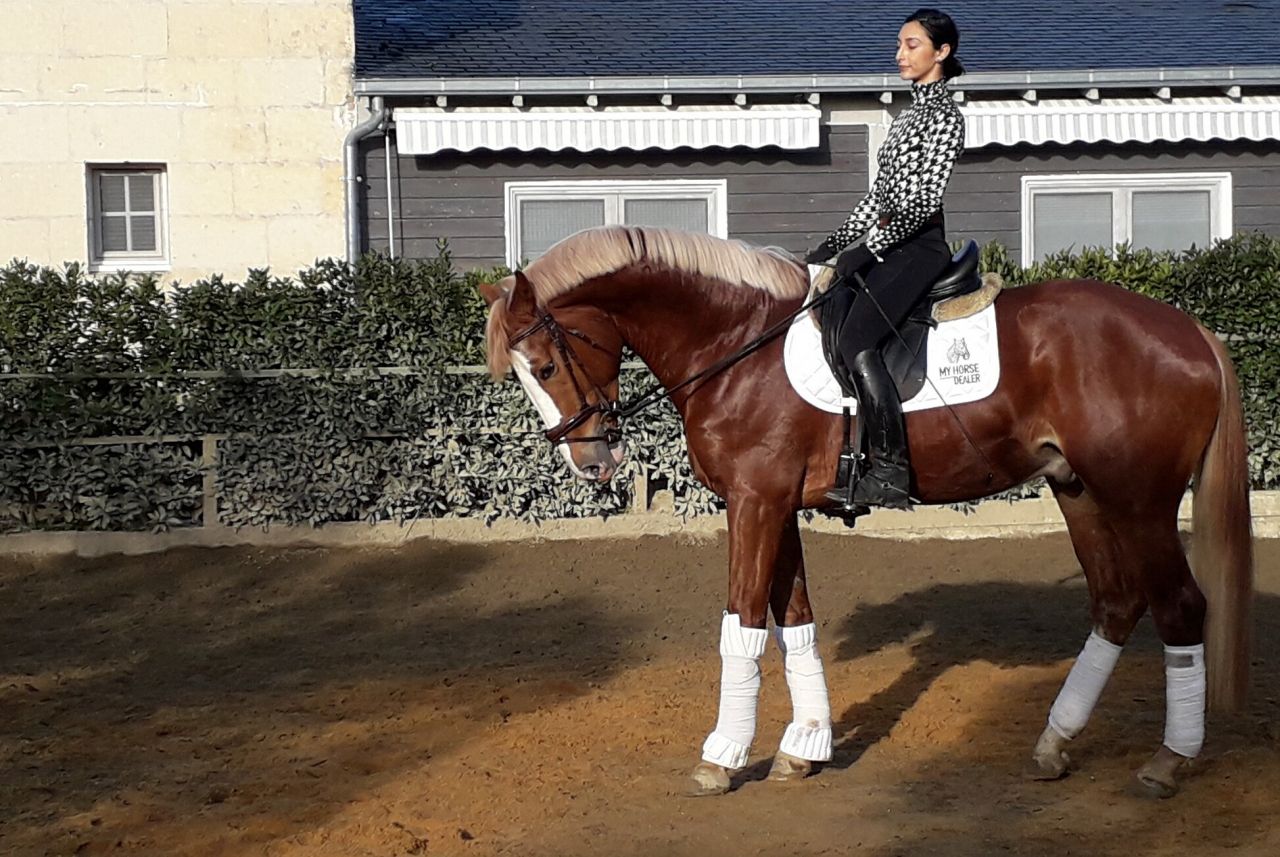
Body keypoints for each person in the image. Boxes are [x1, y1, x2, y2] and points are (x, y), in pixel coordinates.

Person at [803, 7, 966, 510]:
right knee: (832, 315)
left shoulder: (946, 117)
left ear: (942, 53)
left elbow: (920, 203)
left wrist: (867, 250)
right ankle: (850, 454)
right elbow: (878, 197)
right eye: (899, 44)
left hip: (919, 247)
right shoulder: (906, 116)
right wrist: (834, 244)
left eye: (912, 45)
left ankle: (891, 471)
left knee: (857, 337)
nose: (900, 54)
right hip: (890, 242)